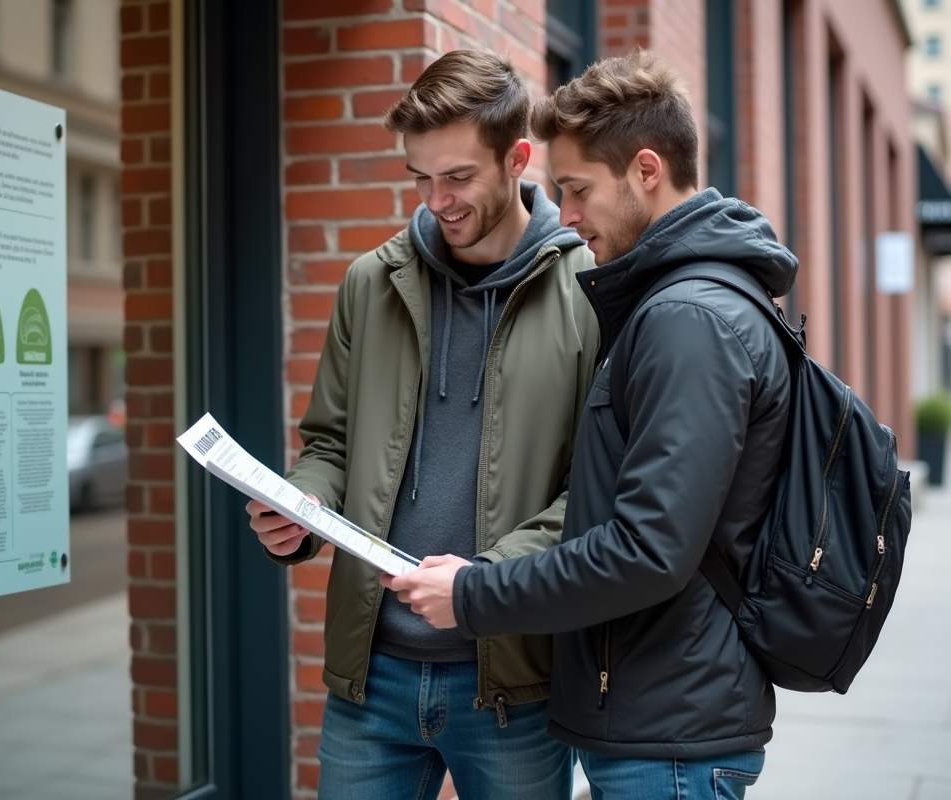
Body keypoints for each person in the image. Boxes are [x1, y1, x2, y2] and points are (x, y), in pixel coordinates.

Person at [386, 49, 798, 799]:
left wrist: (476, 593)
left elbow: (648, 548)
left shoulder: (688, 318)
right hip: (660, 717)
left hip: (670, 735)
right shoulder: (676, 301)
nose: (567, 216)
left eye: (576, 189)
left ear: (645, 170)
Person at [246, 49, 598, 799]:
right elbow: (331, 441)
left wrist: (486, 581)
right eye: (422, 179)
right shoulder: (371, 282)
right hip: (370, 679)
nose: (438, 200)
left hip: (513, 683)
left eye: (460, 177)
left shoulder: (589, 293)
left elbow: (598, 488)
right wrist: (301, 507)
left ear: (518, 158)